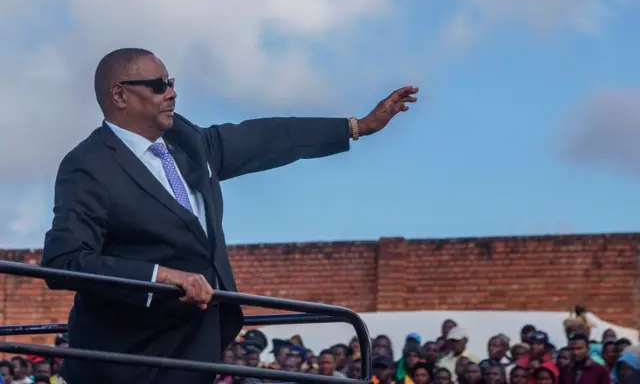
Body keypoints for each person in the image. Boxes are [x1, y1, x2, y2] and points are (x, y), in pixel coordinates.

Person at [40, 47, 419, 384]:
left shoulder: (187, 141)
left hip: (196, 350)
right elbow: (65, 260)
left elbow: (268, 138)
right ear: (119, 94)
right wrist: (161, 277)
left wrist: (357, 127)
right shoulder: (87, 167)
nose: (171, 92)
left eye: (171, 82)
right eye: (157, 85)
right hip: (124, 360)